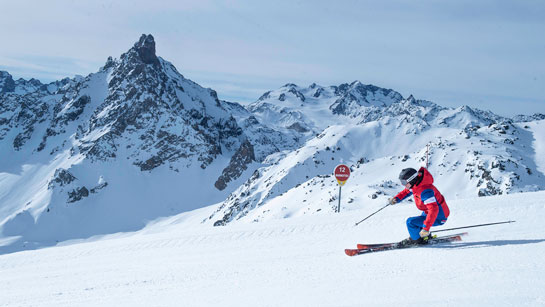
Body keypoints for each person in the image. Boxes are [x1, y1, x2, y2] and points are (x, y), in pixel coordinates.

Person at [389, 167, 450, 246]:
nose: (403, 185)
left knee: (410, 222)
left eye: (404, 182)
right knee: (418, 221)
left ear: (412, 179)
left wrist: (426, 228)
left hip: (439, 216)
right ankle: (422, 236)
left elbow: (434, 210)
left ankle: (416, 241)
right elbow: (406, 192)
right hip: (431, 212)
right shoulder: (416, 184)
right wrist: (396, 199)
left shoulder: (425, 191)